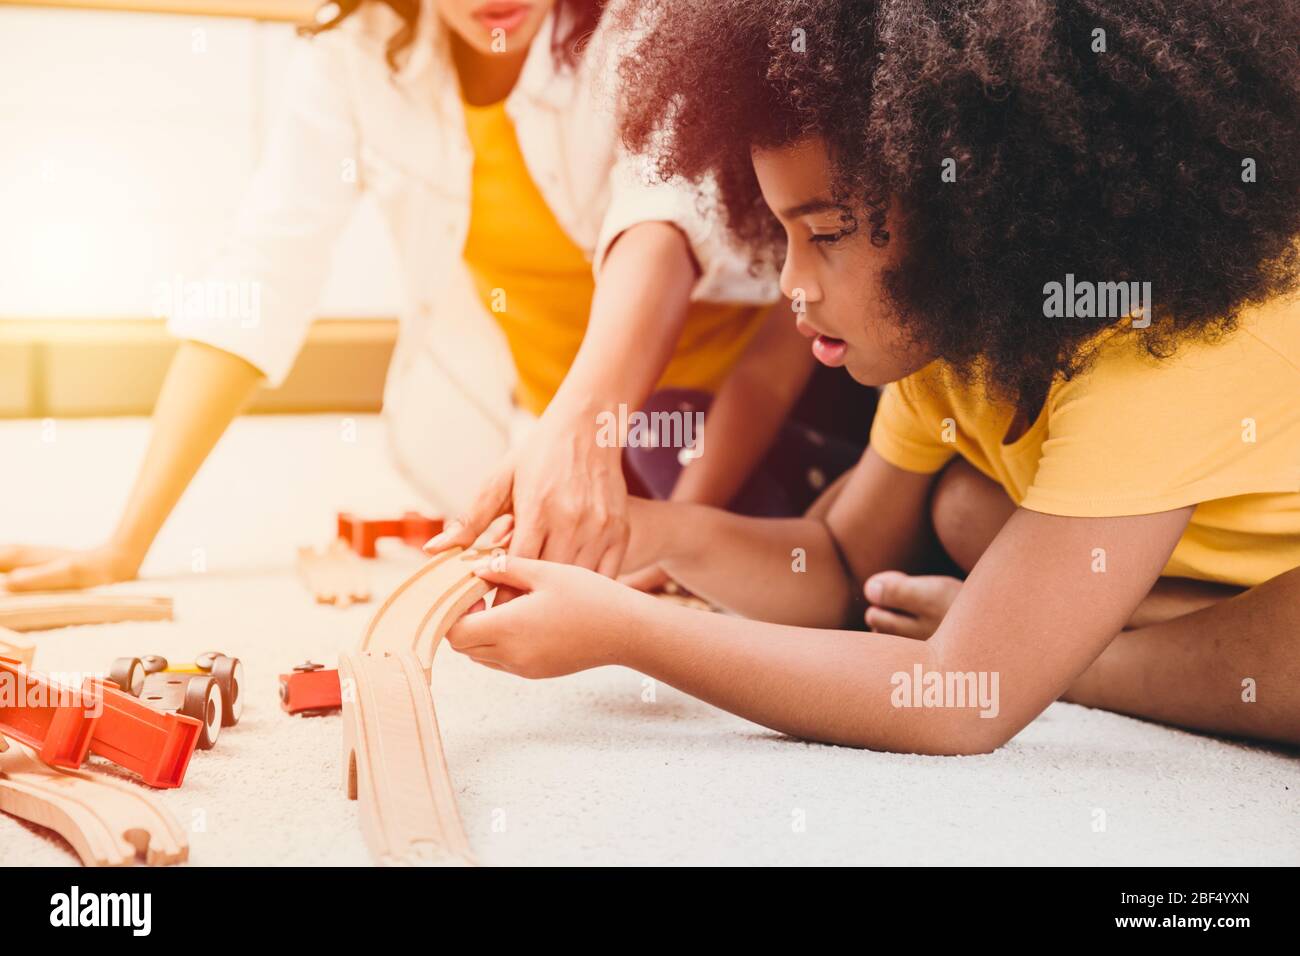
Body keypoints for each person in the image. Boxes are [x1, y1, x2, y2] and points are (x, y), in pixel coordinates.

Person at [437, 0, 1300, 753]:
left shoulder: (1153, 355)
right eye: (782, 234)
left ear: (975, 210)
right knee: (963, 509)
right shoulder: (950, 343)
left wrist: (628, 631)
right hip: (1212, 560)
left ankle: (1091, 664)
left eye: (830, 234)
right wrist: (644, 533)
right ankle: (1071, 633)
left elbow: (965, 701)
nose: (789, 285)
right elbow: (842, 566)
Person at [0, 0, 810, 591]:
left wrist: (607, 454)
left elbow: (657, 224)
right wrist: (124, 543)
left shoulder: (647, 25)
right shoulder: (356, 55)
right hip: (568, 425)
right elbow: (261, 274)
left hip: (733, 398)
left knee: (767, 550)